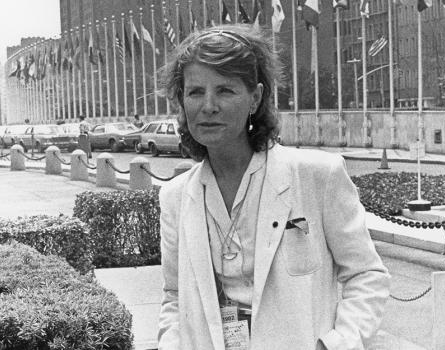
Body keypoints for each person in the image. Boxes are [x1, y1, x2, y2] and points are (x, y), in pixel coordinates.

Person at [157, 24, 390, 350]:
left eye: (225, 90)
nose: (208, 105)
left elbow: (366, 275)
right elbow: (173, 296)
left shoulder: (316, 175)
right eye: (195, 92)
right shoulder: (175, 197)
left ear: (255, 98)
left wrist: (335, 345)